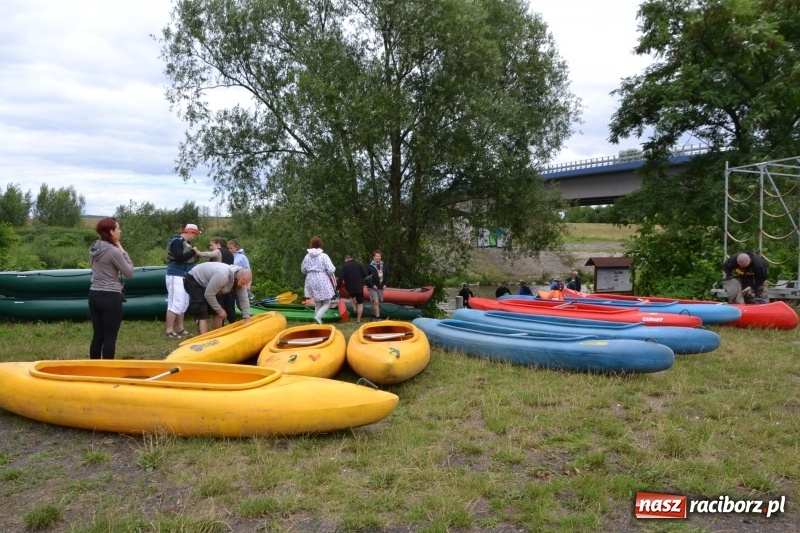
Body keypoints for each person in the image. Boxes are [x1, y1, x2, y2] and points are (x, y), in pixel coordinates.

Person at [88, 217, 134, 359]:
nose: (120, 231)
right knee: (110, 336)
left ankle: (93, 368)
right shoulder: (113, 252)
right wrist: (123, 252)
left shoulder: (94, 247)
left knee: (98, 335)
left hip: (94, 294)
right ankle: (108, 369)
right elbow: (129, 272)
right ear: (111, 231)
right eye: (118, 228)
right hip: (110, 296)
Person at [184, 262, 252, 333]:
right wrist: (219, 310)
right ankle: (203, 340)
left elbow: (244, 300)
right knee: (202, 310)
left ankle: (217, 335)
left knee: (219, 310)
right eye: (243, 283)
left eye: (245, 284)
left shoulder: (242, 281)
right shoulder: (223, 276)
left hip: (211, 283)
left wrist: (247, 319)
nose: (243, 285)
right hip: (195, 279)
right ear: (237, 277)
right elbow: (209, 295)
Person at [165, 223, 201, 338]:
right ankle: (169, 331)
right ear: (190, 233)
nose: (195, 238)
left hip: (185, 276)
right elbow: (179, 258)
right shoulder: (177, 242)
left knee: (184, 303)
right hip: (176, 275)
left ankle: (180, 328)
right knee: (176, 303)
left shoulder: (187, 243)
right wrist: (193, 252)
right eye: (195, 235)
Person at [197, 237, 237, 323]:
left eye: (212, 245)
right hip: (229, 281)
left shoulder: (219, 251)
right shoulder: (230, 253)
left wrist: (198, 253)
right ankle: (233, 324)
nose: (211, 247)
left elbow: (209, 254)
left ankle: (219, 328)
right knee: (229, 306)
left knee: (219, 307)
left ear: (218, 245)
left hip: (219, 282)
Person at [301, 236, 337, 324]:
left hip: (310, 279)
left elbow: (303, 270)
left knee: (318, 303)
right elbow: (332, 269)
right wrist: (327, 275)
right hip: (322, 278)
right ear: (320, 244)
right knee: (327, 302)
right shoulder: (324, 256)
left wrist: (310, 273)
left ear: (311, 244)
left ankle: (316, 322)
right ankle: (318, 317)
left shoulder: (307, 256)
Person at [340, 254, 368, 322]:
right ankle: (358, 320)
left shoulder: (345, 266)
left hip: (350, 287)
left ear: (345, 260)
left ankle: (354, 308)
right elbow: (365, 274)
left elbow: (341, 278)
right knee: (360, 303)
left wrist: (338, 287)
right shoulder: (359, 264)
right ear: (351, 258)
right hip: (359, 287)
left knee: (351, 297)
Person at [228, 239, 252, 311]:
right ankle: (232, 318)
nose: (230, 250)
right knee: (230, 302)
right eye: (228, 248)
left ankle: (247, 316)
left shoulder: (242, 257)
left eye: (231, 248)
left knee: (240, 302)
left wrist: (248, 284)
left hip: (240, 282)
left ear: (236, 248)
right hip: (231, 282)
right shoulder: (228, 257)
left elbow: (248, 270)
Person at [365, 250, 388, 321]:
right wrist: (372, 285)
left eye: (380, 256)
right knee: (376, 302)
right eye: (377, 256)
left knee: (377, 303)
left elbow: (386, 275)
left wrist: (385, 284)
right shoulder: (369, 266)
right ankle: (378, 318)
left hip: (380, 286)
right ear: (373, 257)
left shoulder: (384, 265)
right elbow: (366, 278)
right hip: (372, 287)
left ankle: (373, 316)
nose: (379, 257)